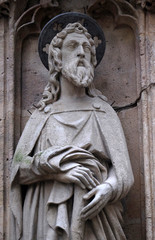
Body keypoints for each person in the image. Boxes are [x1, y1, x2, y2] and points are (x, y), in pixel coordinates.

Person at [10, 18, 134, 240]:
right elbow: (18, 170)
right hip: (45, 214)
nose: (81, 53)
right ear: (57, 59)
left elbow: (124, 173)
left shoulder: (103, 112)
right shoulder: (43, 115)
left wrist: (108, 188)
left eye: (86, 48)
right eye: (73, 46)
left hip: (94, 214)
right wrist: (61, 172)